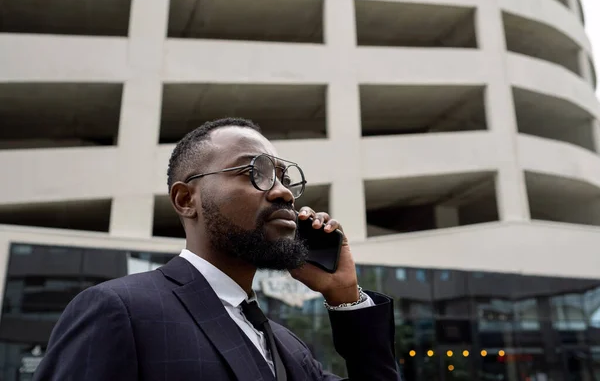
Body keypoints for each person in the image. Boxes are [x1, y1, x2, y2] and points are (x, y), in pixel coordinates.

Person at [33, 118, 401, 381]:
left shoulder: (289, 346)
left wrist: (345, 297)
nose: (283, 192)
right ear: (185, 199)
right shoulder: (120, 310)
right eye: (253, 172)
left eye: (285, 179)